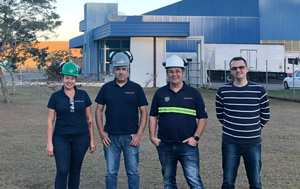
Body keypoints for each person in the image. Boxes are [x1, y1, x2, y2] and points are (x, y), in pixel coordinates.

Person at [149, 55, 208, 189]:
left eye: (177, 71)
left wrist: (196, 138)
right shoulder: (160, 93)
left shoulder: (194, 93)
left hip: (188, 146)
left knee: (194, 181)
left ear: (183, 73)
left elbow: (203, 117)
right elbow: (153, 116)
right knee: (168, 181)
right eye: (171, 71)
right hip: (165, 145)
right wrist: (152, 137)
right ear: (167, 73)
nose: (174, 74)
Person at [95, 51, 148, 189]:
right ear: (114, 70)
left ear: (128, 70)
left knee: (133, 172)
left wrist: (139, 134)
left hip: (131, 138)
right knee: (111, 172)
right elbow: (98, 110)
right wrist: (102, 132)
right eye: (118, 69)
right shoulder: (106, 88)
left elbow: (144, 112)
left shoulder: (136, 89)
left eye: (124, 69)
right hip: (110, 138)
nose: (121, 72)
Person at [215, 57, 270, 189]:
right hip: (230, 143)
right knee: (228, 182)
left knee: (255, 182)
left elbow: (266, 115)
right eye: (234, 68)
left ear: (247, 69)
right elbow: (220, 115)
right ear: (230, 71)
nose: (238, 70)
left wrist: (253, 128)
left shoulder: (259, 90)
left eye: (241, 67)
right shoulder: (222, 91)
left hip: (252, 143)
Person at [47, 62, 96, 189]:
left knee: (75, 171)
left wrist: (92, 140)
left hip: (81, 138)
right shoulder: (55, 96)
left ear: (75, 79)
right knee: (62, 171)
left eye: (72, 78)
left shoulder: (83, 95)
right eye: (67, 77)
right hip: (60, 138)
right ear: (62, 78)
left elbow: (89, 118)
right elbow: (50, 120)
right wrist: (49, 143)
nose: (69, 81)